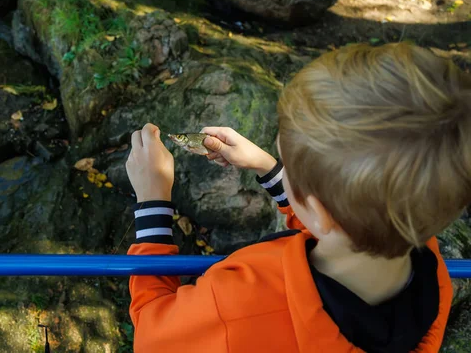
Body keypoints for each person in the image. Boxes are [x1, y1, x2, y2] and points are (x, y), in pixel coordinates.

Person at [124, 43, 471, 352]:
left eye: (286, 164)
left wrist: (153, 201)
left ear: (319, 211)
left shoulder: (239, 304)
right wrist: (267, 167)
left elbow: (153, 333)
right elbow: (341, 224)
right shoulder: (432, 275)